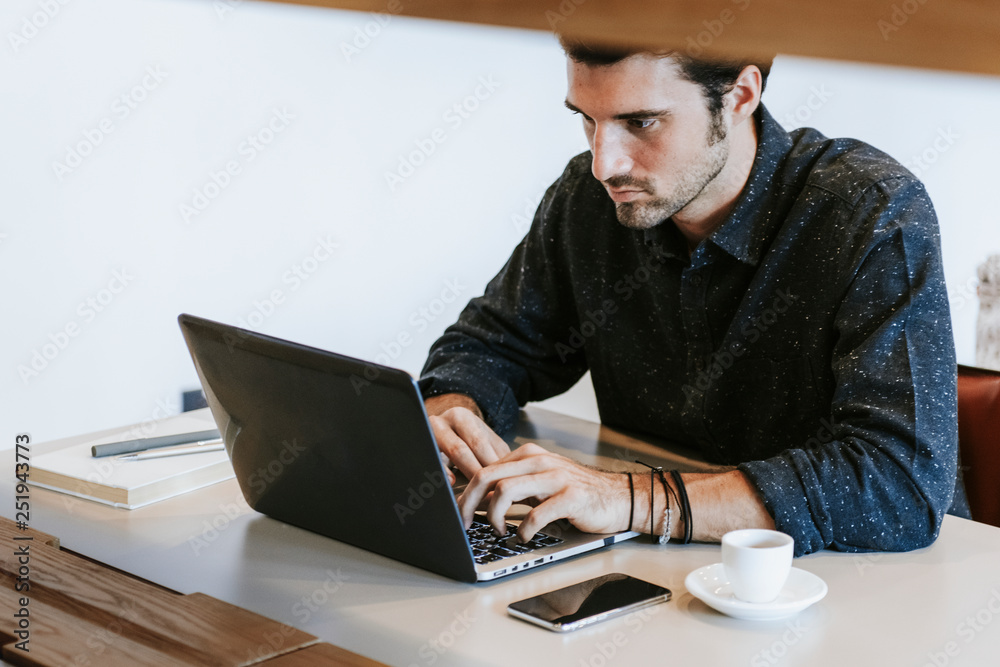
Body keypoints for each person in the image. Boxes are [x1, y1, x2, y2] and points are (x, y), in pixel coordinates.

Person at [417, 39, 963, 556]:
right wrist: (450, 415)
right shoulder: (588, 201)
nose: (605, 163)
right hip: (651, 566)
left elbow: (899, 486)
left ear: (740, 96)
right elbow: (493, 346)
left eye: (640, 122)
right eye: (587, 118)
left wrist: (627, 500)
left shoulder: (872, 212)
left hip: (837, 587)